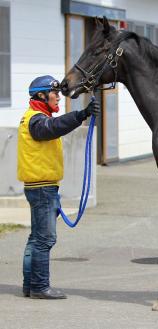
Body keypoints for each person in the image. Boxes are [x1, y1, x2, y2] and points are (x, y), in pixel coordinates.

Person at [17, 75, 100, 299]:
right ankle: (40, 287)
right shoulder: (36, 120)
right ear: (41, 95)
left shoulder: (34, 117)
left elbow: (52, 126)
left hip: (42, 187)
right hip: (42, 189)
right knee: (45, 239)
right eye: (54, 94)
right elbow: (51, 128)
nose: (58, 98)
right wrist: (81, 115)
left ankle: (30, 285)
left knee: (36, 239)